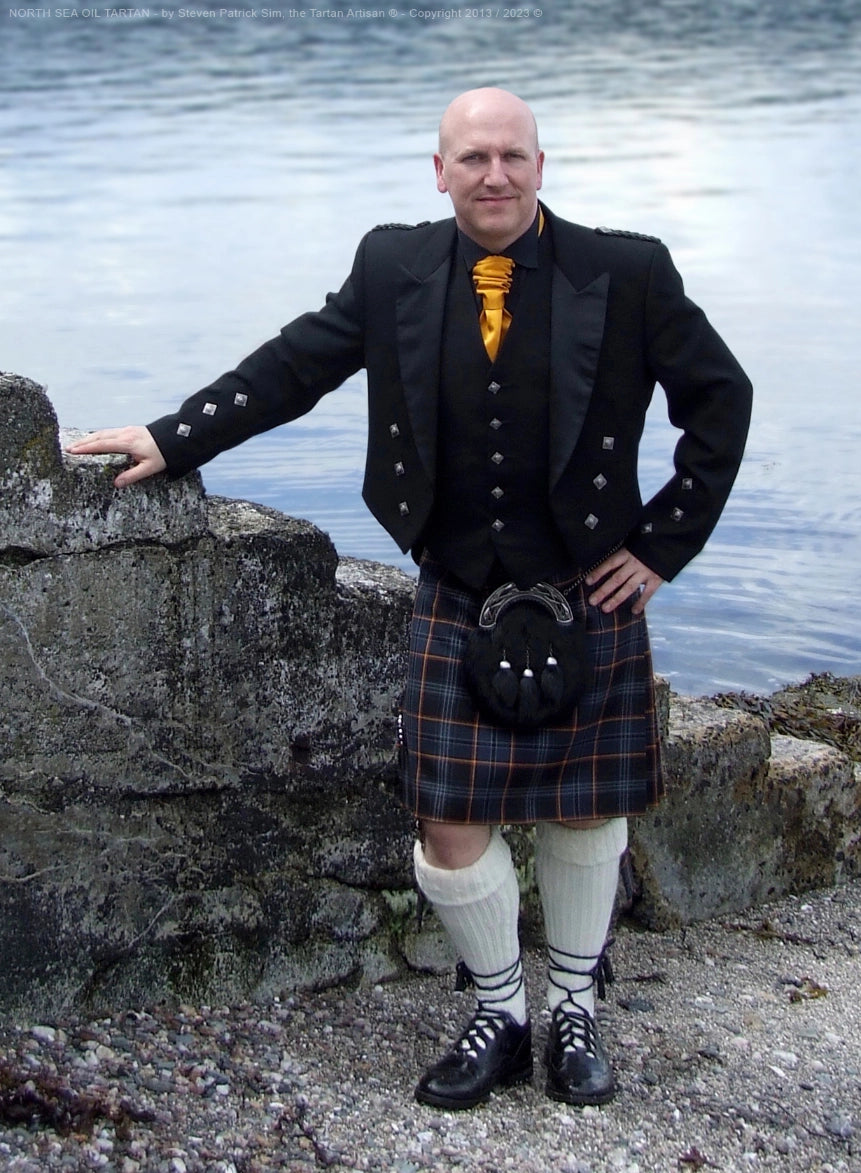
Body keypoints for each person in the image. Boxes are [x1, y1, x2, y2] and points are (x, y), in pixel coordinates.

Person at [67, 87, 752, 1111]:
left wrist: (662, 545)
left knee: (584, 816)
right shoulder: (394, 266)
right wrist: (177, 434)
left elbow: (720, 399)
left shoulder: (628, 271)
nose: (494, 174)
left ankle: (573, 1005)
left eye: (512, 156)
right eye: (473, 157)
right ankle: (500, 1006)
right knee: (448, 822)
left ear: (541, 165)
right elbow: (298, 365)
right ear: (439, 171)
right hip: (458, 584)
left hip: (586, 584)